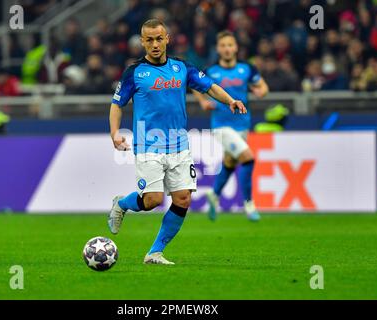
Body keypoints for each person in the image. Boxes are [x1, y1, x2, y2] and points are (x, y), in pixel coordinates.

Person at [108, 19, 246, 265]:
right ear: (142, 42)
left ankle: (154, 252)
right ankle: (121, 203)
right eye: (149, 40)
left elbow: (210, 87)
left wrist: (230, 100)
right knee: (152, 201)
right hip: (149, 144)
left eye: (159, 38)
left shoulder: (181, 67)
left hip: (178, 145)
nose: (154, 44)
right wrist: (115, 133)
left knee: (183, 199)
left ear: (167, 39)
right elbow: (117, 104)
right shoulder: (135, 72)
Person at [192, 30, 269, 222]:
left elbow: (263, 87)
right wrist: (203, 102)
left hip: (242, 124)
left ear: (236, 48)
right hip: (221, 126)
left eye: (230, 45)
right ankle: (249, 203)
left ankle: (214, 194)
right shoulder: (211, 72)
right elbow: (194, 86)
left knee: (230, 162)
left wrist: (261, 92)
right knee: (248, 158)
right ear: (218, 49)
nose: (227, 49)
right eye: (223, 45)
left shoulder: (247, 69)